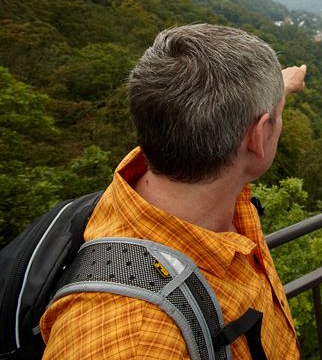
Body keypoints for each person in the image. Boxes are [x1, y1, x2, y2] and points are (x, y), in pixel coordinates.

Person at [40, 24, 307, 359]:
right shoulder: (132, 339)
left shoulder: (190, 183)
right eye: (276, 118)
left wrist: (278, 88)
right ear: (256, 137)